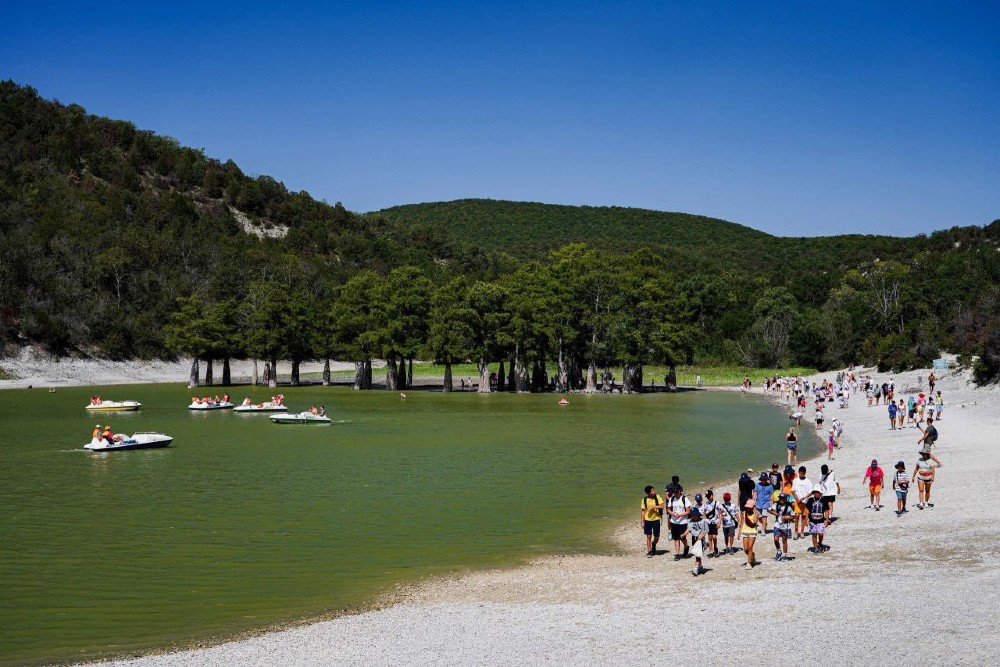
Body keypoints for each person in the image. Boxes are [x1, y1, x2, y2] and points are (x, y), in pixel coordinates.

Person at [666, 486, 691, 560]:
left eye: (677, 492)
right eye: (674, 492)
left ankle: (686, 546)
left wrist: (680, 515)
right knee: (676, 538)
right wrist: (673, 514)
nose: (675, 493)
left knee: (682, 537)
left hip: (683, 522)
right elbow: (668, 509)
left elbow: (688, 511)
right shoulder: (672, 499)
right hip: (674, 521)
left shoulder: (685, 499)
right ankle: (677, 554)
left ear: (680, 491)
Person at [640, 485, 664, 557]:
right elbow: (643, 511)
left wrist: (653, 507)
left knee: (657, 536)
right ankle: (649, 551)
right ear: (648, 493)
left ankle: (654, 544)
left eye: (654, 490)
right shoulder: (644, 500)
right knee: (648, 536)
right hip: (648, 520)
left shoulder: (658, 497)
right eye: (652, 491)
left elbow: (662, 506)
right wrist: (642, 521)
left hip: (656, 519)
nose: (654, 492)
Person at [805, 486, 831, 553]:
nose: (817, 494)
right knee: (814, 534)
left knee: (821, 534)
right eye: (815, 492)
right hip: (812, 520)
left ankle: (819, 542)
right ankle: (816, 547)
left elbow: (826, 510)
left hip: (821, 520)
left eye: (818, 492)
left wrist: (827, 520)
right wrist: (806, 519)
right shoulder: (810, 500)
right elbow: (807, 510)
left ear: (820, 493)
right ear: (813, 493)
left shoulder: (824, 500)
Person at [770, 493, 795, 561]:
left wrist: (787, 517)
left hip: (785, 525)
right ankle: (779, 551)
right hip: (777, 524)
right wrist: (777, 514)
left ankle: (784, 555)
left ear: (785, 499)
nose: (781, 500)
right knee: (776, 539)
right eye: (780, 498)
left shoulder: (788, 506)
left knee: (784, 540)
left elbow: (793, 516)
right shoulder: (776, 504)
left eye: (783, 498)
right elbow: (769, 510)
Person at [792, 466, 813, 540]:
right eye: (800, 473)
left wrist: (804, 498)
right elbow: (793, 491)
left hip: (805, 502)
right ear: (798, 472)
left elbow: (811, 492)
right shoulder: (795, 480)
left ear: (805, 473)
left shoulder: (808, 481)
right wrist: (797, 499)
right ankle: (796, 532)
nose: (801, 474)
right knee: (797, 516)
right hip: (797, 501)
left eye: (803, 473)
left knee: (804, 517)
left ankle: (802, 531)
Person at [688, 507, 708, 576]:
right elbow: (689, 529)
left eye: (694, 514)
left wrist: (701, 537)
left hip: (700, 539)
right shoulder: (690, 521)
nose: (693, 516)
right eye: (692, 514)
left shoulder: (703, 521)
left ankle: (696, 568)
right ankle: (700, 566)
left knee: (698, 554)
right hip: (694, 538)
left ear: (697, 515)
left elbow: (705, 531)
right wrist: (684, 534)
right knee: (696, 553)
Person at [741, 500, 759, 570]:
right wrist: (739, 532)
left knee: (750, 547)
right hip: (745, 531)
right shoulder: (744, 513)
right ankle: (752, 556)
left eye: (749, 507)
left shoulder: (756, 513)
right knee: (745, 549)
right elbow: (742, 522)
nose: (748, 508)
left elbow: (755, 521)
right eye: (747, 507)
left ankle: (749, 563)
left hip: (752, 531)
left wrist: (755, 510)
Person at [703, 490, 721, 558]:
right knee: (709, 537)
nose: (708, 498)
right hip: (708, 522)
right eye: (707, 497)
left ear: (712, 495)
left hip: (715, 522)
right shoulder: (706, 504)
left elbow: (720, 514)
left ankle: (716, 547)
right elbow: (704, 513)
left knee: (714, 537)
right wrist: (704, 521)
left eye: (709, 496)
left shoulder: (717, 503)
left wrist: (719, 522)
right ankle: (711, 551)